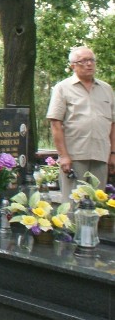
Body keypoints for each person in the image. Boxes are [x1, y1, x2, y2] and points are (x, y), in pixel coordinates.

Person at [46, 46, 115, 203]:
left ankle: (93, 229)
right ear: (73, 66)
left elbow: (112, 124)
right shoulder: (62, 88)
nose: (89, 64)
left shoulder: (106, 89)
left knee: (97, 204)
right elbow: (56, 124)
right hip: (74, 155)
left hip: (100, 155)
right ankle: (71, 229)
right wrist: (63, 156)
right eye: (83, 61)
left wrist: (113, 154)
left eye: (92, 60)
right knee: (72, 205)